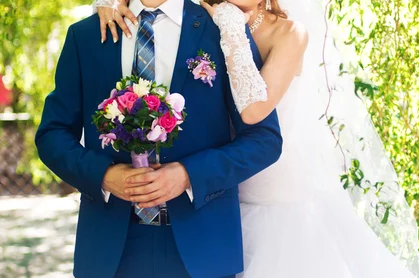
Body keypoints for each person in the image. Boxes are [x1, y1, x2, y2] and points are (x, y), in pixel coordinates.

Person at [96, 0, 419, 277]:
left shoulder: (290, 33)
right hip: (215, 190)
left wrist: (231, 27)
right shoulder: (202, 21)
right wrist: (108, 4)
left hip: (273, 193)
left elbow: (254, 110)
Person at [35, 0, 283, 277]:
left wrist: (188, 175)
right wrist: (104, 175)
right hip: (109, 250)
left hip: (203, 246)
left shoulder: (222, 30)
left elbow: (264, 139)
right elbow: (52, 135)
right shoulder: (86, 36)